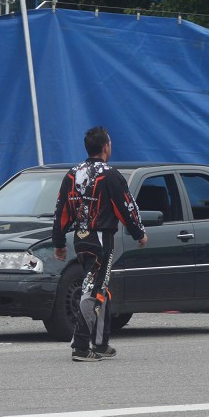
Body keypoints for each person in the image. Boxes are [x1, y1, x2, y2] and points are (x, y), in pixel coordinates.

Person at [52, 126, 148, 362]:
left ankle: (100, 342)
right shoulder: (111, 175)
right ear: (106, 147)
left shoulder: (73, 174)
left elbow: (61, 211)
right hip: (101, 238)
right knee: (93, 289)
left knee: (101, 286)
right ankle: (81, 346)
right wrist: (139, 234)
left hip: (80, 238)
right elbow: (127, 206)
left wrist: (59, 242)